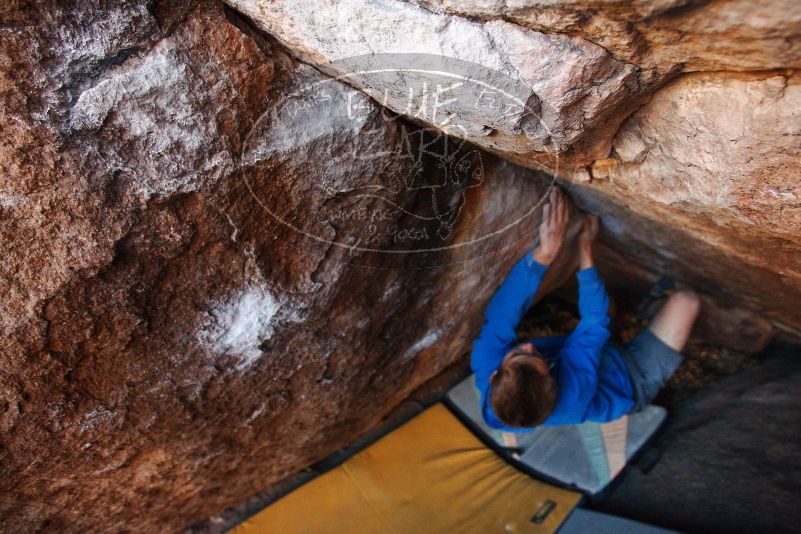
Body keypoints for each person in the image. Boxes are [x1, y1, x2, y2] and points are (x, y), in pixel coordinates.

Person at [470, 187, 700, 431]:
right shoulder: (573, 397)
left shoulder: (486, 364)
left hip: (598, 350)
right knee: (686, 301)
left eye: (517, 354)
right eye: (537, 357)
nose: (529, 346)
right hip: (633, 378)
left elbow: (502, 314)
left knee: (605, 306)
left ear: (494, 375)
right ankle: (642, 318)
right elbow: (594, 322)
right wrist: (585, 252)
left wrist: (543, 256)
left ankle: (631, 319)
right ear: (552, 380)